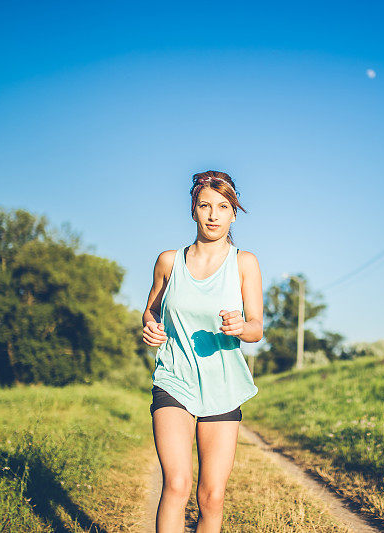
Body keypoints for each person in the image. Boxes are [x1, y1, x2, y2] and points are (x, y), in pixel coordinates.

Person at [141, 170, 263, 533]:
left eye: (223, 207)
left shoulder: (245, 263)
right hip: (174, 379)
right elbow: (151, 310)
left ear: (233, 214)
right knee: (176, 485)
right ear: (193, 210)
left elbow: (257, 327)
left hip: (223, 385)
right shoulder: (168, 261)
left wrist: (241, 327)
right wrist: (150, 327)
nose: (213, 215)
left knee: (211, 495)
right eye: (205, 206)